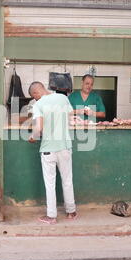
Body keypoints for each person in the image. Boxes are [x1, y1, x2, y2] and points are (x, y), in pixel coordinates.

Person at [28, 81, 77, 225]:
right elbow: (70, 116)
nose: (35, 99)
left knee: (50, 183)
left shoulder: (38, 105)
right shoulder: (62, 98)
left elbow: (39, 128)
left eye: (34, 96)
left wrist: (32, 137)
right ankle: (71, 211)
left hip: (49, 148)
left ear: (36, 93)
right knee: (67, 180)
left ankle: (51, 216)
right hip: (65, 146)